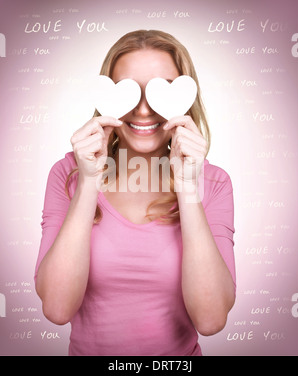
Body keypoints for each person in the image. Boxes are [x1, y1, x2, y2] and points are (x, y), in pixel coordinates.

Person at [34, 30, 236, 356]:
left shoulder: (213, 184)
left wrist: (187, 186)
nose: (143, 110)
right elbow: (56, 309)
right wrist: (89, 182)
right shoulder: (67, 175)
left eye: (160, 92)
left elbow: (211, 320)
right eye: (129, 92)